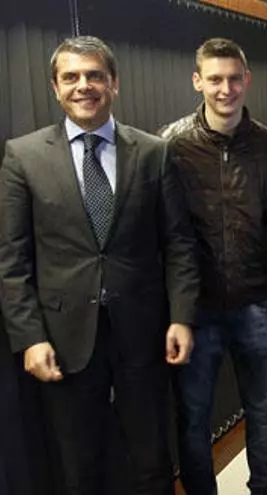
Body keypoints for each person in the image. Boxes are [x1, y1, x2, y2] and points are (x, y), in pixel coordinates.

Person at [0, 36, 199, 494]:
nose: (83, 85)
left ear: (114, 83)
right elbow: (12, 259)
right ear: (55, 88)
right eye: (70, 77)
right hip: (63, 337)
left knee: (152, 461)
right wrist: (30, 337)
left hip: (142, 332)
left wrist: (182, 317)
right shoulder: (23, 157)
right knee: (78, 465)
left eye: (94, 75)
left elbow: (179, 244)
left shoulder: (153, 152)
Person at [158, 38, 267, 495]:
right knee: (194, 416)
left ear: (247, 80)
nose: (226, 89)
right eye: (215, 79)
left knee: (261, 408)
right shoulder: (170, 145)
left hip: (257, 302)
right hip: (195, 309)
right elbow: (163, 235)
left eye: (234, 78)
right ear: (197, 81)